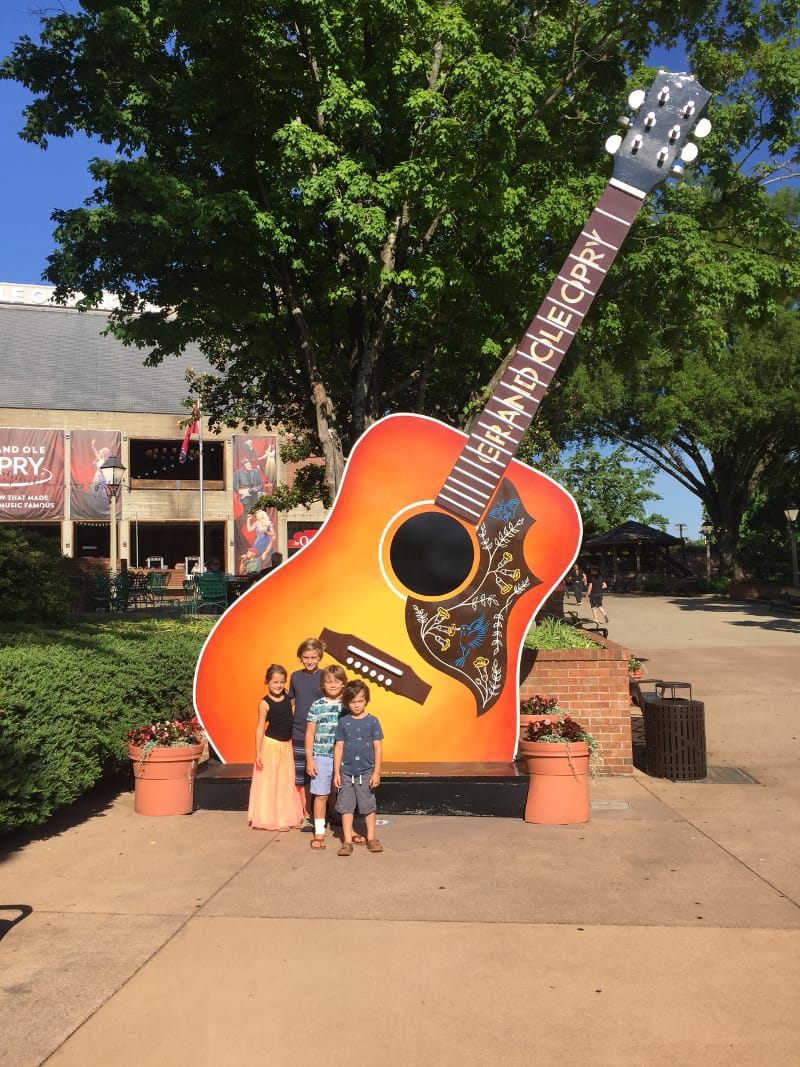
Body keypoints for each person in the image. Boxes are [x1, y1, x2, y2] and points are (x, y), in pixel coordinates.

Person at [247, 664, 304, 831]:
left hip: (287, 746)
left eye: (282, 682)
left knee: (286, 784)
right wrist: (258, 751)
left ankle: (287, 816)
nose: (278, 685)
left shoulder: (287, 697)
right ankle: (271, 818)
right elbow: (259, 727)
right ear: (267, 682)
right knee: (271, 784)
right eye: (274, 682)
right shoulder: (264, 703)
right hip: (271, 746)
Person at [333, 680, 384, 856]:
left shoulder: (373, 721)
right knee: (346, 807)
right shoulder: (343, 722)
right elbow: (338, 747)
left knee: (368, 806)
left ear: (366, 701)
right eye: (353, 701)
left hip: (367, 772)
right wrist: (337, 773)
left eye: (360, 701)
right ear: (347, 702)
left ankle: (372, 838)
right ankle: (347, 841)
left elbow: (378, 747)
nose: (356, 705)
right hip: (346, 773)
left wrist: (376, 772)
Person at [305, 664, 348, 850]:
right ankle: (320, 833)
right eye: (329, 682)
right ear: (322, 684)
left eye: (337, 681)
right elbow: (309, 734)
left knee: (345, 795)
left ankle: (348, 831)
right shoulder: (317, 706)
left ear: (344, 684)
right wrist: (310, 759)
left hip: (345, 758)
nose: (333, 685)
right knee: (321, 795)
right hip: (322, 757)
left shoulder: (347, 706)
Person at [289, 637, 325, 827]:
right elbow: (291, 701)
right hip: (299, 733)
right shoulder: (295, 677)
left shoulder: (325, 677)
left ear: (320, 657)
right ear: (300, 658)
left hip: (321, 737)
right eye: (306, 657)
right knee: (302, 777)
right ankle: (307, 813)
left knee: (321, 775)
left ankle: (326, 814)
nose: (310, 661)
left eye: (313, 657)